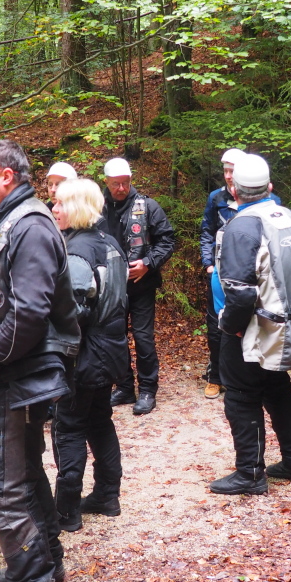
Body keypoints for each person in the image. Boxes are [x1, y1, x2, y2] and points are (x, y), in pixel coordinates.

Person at [0, 140, 81, 582]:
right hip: (11, 373)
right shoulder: (10, 220)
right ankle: (48, 563)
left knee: (3, 493)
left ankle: (32, 574)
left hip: (13, 375)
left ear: (6, 177)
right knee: (25, 477)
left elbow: (29, 313)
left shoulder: (29, 226)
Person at [210, 154, 291, 496]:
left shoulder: (241, 227)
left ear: (234, 189)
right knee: (276, 389)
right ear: (269, 186)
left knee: (240, 397)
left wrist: (230, 326)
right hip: (290, 326)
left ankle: (250, 473)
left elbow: (240, 292)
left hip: (253, 329)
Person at [49, 178, 128, 532]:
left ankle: (67, 512)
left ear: (78, 208)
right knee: (99, 420)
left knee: (69, 427)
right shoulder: (109, 242)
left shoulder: (78, 250)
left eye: (61, 204)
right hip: (110, 350)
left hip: (84, 356)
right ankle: (107, 496)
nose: (54, 208)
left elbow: (75, 312)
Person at [199, 149, 283, 400]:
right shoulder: (216, 198)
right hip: (220, 273)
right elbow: (207, 231)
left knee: (255, 322)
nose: (228, 175)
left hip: (255, 274)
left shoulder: (271, 201)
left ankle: (257, 373)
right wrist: (208, 264)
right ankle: (216, 377)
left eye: (232, 171)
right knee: (216, 326)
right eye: (225, 170)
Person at [101, 157, 175, 416]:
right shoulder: (96, 208)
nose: (121, 188)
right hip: (110, 287)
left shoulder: (148, 206)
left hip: (141, 284)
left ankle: (147, 390)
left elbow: (167, 240)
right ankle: (124, 386)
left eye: (125, 183)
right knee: (115, 337)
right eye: (116, 184)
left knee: (143, 338)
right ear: (106, 182)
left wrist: (147, 263)